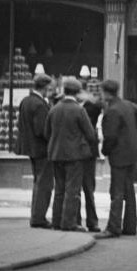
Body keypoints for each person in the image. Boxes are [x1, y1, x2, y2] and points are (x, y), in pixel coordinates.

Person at [45, 77, 98, 231]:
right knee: (72, 190)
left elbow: (46, 132)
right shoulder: (79, 110)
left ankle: (56, 221)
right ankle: (69, 223)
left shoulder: (54, 109)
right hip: (74, 156)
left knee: (59, 189)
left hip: (56, 154)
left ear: (64, 91)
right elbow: (90, 134)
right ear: (77, 92)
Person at [97, 79, 137, 238]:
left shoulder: (112, 111)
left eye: (102, 92)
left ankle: (113, 227)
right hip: (131, 153)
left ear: (106, 93)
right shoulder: (127, 105)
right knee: (128, 191)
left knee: (116, 191)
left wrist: (104, 151)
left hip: (119, 155)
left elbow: (110, 136)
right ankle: (130, 226)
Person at [16, 72, 55, 229]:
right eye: (49, 88)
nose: (50, 91)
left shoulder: (26, 101)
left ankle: (36, 215)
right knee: (44, 184)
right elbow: (41, 130)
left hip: (31, 148)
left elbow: (21, 125)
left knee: (38, 182)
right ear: (44, 88)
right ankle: (39, 218)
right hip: (42, 149)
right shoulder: (39, 104)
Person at [78, 83, 102, 233]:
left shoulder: (90, 107)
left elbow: (100, 105)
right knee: (80, 190)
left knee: (87, 189)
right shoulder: (75, 106)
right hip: (80, 153)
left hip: (86, 153)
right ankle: (85, 222)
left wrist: (88, 98)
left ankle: (91, 222)